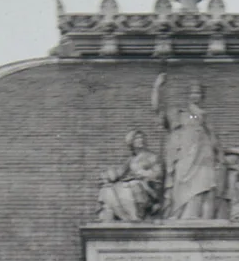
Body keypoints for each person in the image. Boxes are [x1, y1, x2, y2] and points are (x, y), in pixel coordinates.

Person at [153, 73, 224, 220]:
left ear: (202, 96)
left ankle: (202, 219)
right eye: (192, 92)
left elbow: (214, 138)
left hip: (204, 156)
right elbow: (158, 108)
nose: (195, 96)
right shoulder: (179, 114)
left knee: (205, 187)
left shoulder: (204, 116)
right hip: (185, 155)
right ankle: (183, 216)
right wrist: (158, 87)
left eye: (198, 93)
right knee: (183, 189)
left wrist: (220, 157)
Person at [96, 129, 163, 222]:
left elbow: (158, 173)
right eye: (137, 138)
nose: (140, 140)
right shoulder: (131, 160)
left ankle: (134, 215)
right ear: (131, 142)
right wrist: (106, 176)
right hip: (133, 185)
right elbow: (119, 173)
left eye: (141, 138)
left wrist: (143, 173)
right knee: (108, 189)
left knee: (132, 185)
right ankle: (125, 216)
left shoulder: (151, 157)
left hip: (147, 188)